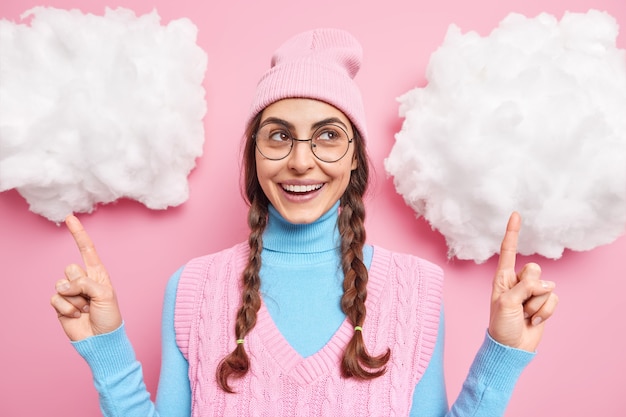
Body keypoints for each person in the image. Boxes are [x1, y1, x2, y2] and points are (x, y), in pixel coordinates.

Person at [50, 28, 558, 417]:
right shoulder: (194, 289)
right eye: (278, 136)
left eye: (328, 135)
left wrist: (503, 353)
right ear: (254, 154)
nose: (300, 161)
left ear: (355, 156)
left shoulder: (415, 291)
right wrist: (108, 347)